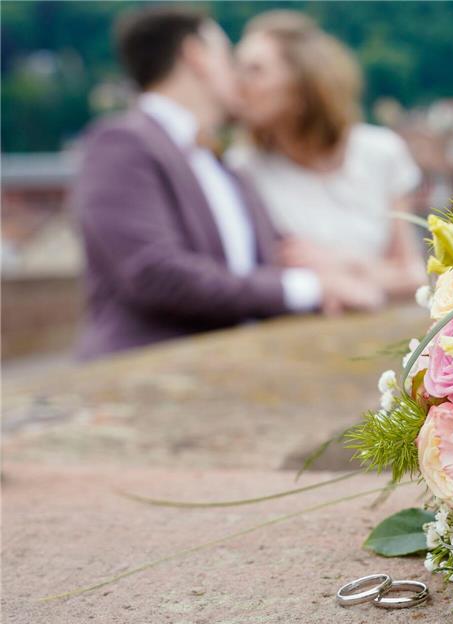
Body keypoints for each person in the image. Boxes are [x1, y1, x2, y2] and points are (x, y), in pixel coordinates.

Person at [71, 7, 380, 360]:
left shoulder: (224, 166)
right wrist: (308, 287)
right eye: (227, 56)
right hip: (145, 382)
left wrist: (339, 268)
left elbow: (272, 259)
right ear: (196, 55)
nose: (237, 75)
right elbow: (154, 272)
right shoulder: (121, 141)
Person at [229, 11, 426, 300]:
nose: (238, 84)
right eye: (237, 69)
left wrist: (343, 264)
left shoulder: (382, 152)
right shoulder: (243, 168)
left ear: (302, 84)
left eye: (256, 70)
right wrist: (369, 275)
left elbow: (414, 277)